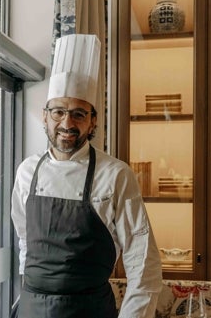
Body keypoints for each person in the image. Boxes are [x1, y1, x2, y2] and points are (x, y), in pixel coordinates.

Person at [11, 33, 163, 318]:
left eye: (79, 114)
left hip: (89, 311)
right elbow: (25, 243)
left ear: (93, 120)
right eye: (58, 112)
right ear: (44, 116)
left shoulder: (116, 175)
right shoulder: (26, 171)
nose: (67, 123)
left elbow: (144, 264)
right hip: (31, 310)